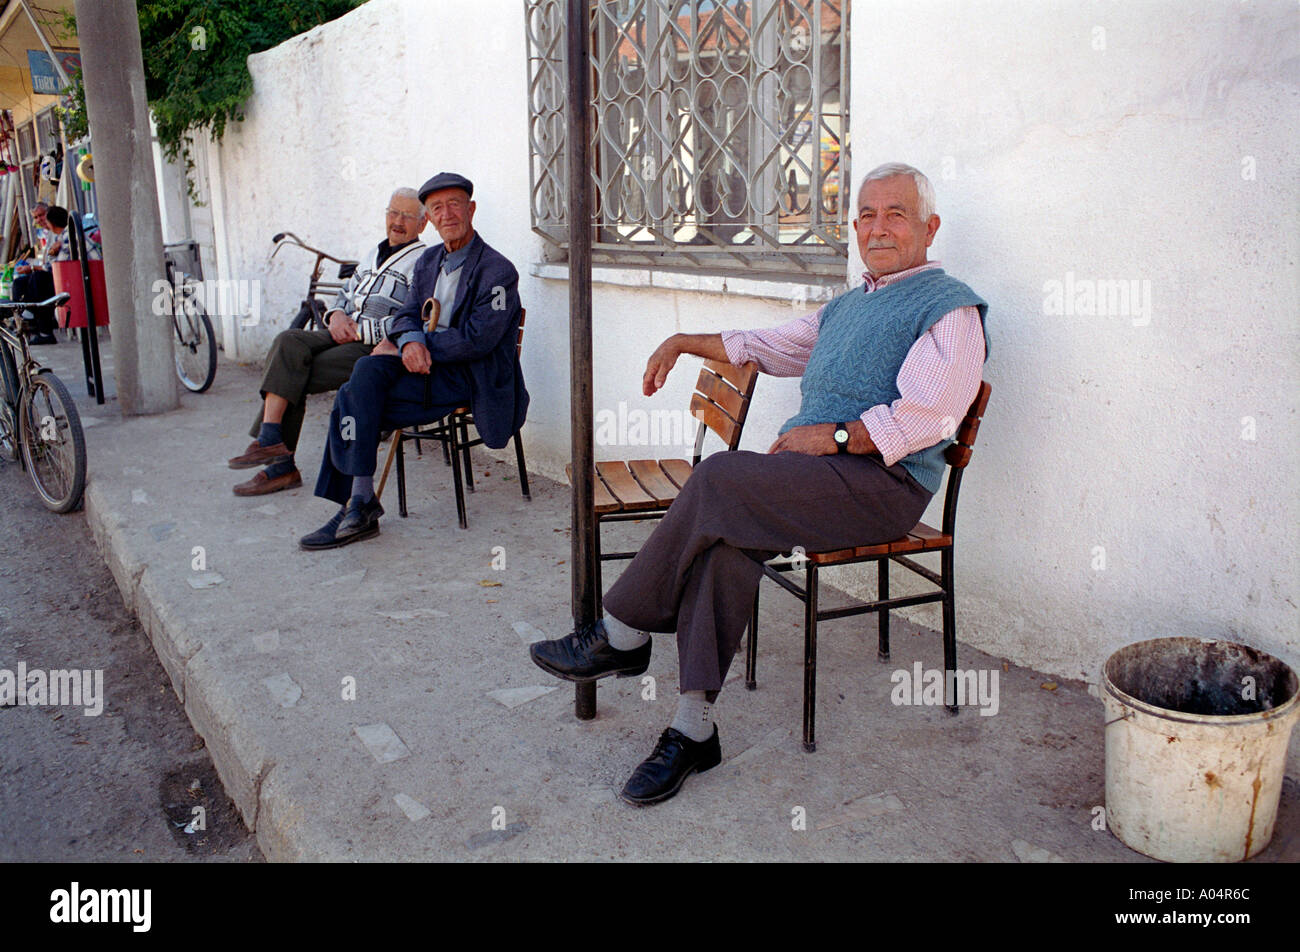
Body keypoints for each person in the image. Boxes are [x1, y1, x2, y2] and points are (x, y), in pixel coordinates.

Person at [529, 162, 990, 806]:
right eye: (866, 214)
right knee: (725, 543)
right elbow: (772, 344)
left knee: (718, 477)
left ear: (929, 228)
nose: (878, 227)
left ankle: (622, 633)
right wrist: (684, 340)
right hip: (819, 478)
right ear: (854, 225)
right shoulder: (850, 305)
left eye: (896, 214)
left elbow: (926, 417)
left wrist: (827, 436)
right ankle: (693, 731)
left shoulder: (950, 310)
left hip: (882, 490)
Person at [299, 171, 528, 549]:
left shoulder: (498, 271)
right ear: (431, 218)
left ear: (471, 209)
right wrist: (408, 341)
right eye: (437, 208)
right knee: (365, 374)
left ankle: (357, 505)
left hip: (470, 376)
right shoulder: (428, 261)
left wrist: (423, 346)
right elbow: (406, 314)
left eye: (455, 204)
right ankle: (358, 504)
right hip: (422, 369)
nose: (447, 213)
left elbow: (480, 339)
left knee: (352, 398)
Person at [227, 188, 428, 495]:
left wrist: (361, 331)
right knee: (288, 342)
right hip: (343, 331)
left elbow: (413, 318)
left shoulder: (422, 262)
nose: (397, 221)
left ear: (422, 224)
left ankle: (279, 464)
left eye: (407, 216)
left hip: (373, 347)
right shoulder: (373, 254)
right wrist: (335, 315)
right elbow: (345, 294)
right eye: (393, 212)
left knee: (295, 371)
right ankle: (270, 440)